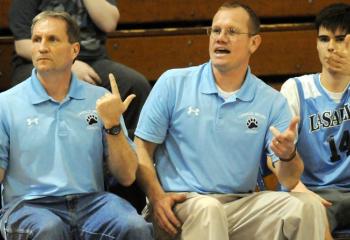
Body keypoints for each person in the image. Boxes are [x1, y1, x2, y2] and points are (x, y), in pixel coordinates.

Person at [134, 1, 328, 240]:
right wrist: (156, 197)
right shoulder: (173, 83)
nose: (220, 38)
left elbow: (288, 178)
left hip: (241, 204)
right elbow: (142, 147)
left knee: (308, 206)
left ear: (254, 43)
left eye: (232, 31)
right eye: (216, 30)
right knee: (208, 209)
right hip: (181, 205)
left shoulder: (272, 102)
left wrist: (288, 154)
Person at [0, 11, 153, 239]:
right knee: (49, 229)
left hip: (91, 203)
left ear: (74, 50)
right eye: (36, 39)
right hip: (29, 205)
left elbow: (127, 176)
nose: (42, 47)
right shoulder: (6, 103)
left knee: (135, 226)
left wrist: (113, 125)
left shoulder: (100, 100)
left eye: (53, 39)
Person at [8, 0, 151, 136]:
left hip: (93, 60)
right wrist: (70, 64)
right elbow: (22, 45)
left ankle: (131, 151)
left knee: (134, 84)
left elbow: (108, 23)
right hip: (41, 61)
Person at [280, 3, 350, 235]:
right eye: (324, 39)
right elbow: (276, 157)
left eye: (340, 39)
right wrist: (301, 190)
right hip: (311, 191)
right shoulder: (296, 88)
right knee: (313, 218)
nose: (331, 47)